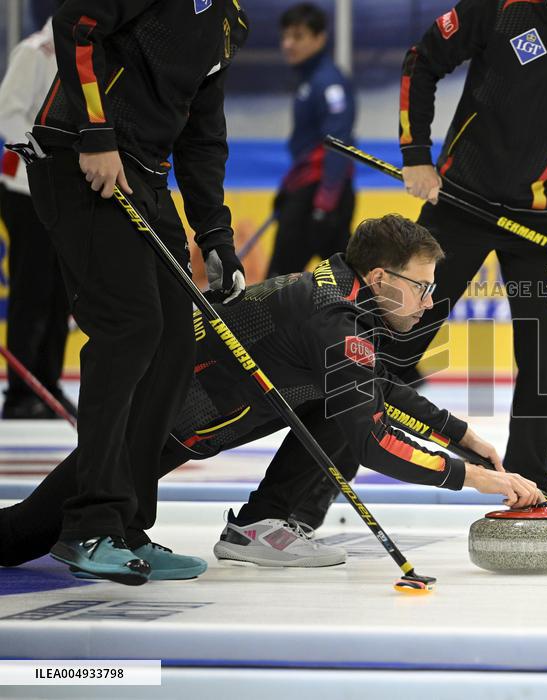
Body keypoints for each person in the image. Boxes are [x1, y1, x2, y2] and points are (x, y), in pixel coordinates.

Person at [0, 214, 543, 573]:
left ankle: (263, 522)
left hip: (181, 419)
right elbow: (373, 443)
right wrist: (478, 479)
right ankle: (257, 523)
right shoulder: (334, 321)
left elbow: (371, 386)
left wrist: (462, 436)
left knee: (346, 401)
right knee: (20, 535)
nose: (428, 302)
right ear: (381, 277)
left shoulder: (340, 297)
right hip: (157, 423)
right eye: (422, 287)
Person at [17, 0, 249, 585]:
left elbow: (203, 133)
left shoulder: (230, 21)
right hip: (80, 159)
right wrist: (95, 133)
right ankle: (89, 524)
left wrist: (215, 235)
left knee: (174, 344)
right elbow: (77, 24)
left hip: (145, 174)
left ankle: (125, 525)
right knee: (132, 327)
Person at [390, 0, 547, 491]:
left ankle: (529, 491)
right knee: (396, 345)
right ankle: (306, 490)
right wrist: (415, 153)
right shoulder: (506, 6)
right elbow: (422, 60)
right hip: (459, 204)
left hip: (542, 222)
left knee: (543, 362)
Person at [0, 16, 75, 420]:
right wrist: (43, 156)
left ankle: (48, 382)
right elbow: (7, 115)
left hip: (65, 191)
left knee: (62, 291)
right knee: (32, 289)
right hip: (25, 189)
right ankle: (20, 390)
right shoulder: (34, 52)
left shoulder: (85, 53)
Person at [268, 2, 357, 276]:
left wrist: (325, 203)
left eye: (298, 36)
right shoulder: (309, 80)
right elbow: (308, 149)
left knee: (277, 283)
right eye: (285, 36)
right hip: (311, 191)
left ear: (319, 38)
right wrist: (288, 187)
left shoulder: (328, 83)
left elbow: (337, 145)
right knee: (348, 281)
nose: (288, 44)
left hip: (319, 194)